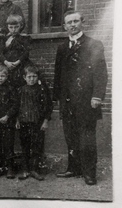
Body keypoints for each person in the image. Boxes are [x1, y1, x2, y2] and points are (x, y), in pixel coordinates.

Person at [54, 11, 108, 185]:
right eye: (69, 22)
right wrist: (58, 98)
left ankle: (89, 172)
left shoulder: (94, 44)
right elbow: (58, 74)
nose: (72, 25)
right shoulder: (62, 48)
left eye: (76, 21)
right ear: (64, 26)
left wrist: (97, 96)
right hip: (68, 100)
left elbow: (101, 73)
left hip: (86, 100)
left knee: (87, 137)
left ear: (82, 22)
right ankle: (73, 168)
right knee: (70, 135)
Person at [16, 65, 53, 181]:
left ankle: (35, 170)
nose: (32, 79)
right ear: (24, 77)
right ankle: (25, 170)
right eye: (29, 77)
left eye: (34, 76)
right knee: (25, 146)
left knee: (37, 146)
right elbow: (17, 106)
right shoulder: (21, 90)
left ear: (37, 77)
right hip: (24, 122)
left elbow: (48, 107)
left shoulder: (42, 90)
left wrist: (45, 121)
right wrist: (17, 120)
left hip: (38, 123)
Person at [0, 14, 32, 88]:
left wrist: (17, 62)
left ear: (21, 26)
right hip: (7, 65)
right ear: (7, 27)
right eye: (11, 27)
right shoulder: (4, 38)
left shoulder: (24, 38)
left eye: (16, 27)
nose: (13, 30)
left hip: (20, 65)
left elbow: (26, 53)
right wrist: (6, 62)